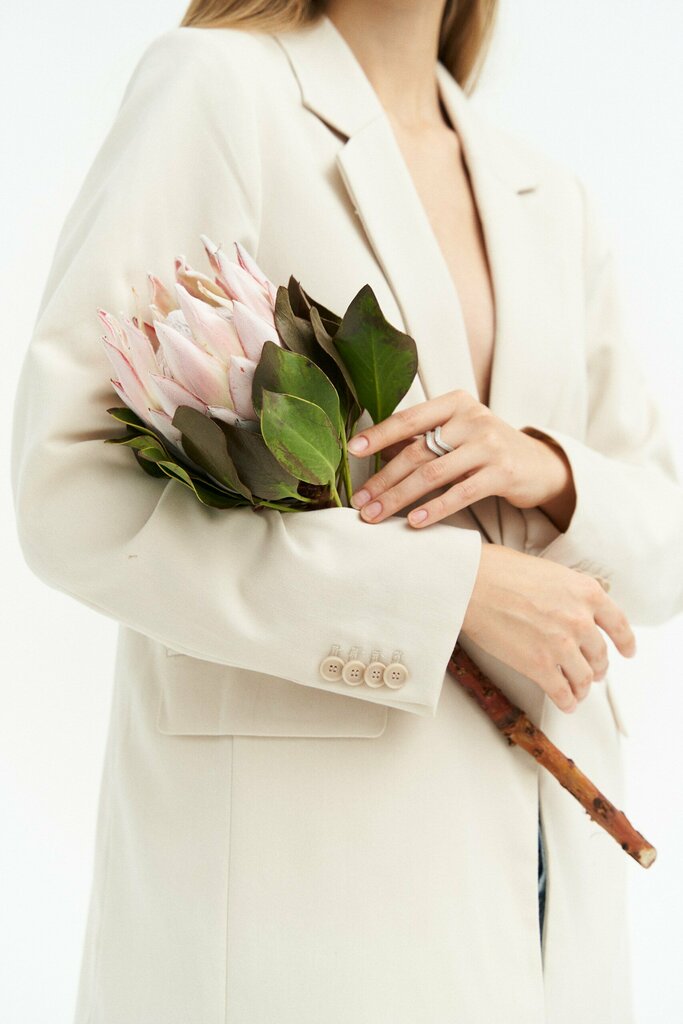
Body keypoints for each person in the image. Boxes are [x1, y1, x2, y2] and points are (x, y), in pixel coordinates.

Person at [10, 2, 683, 1022]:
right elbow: (73, 490)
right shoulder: (216, 88)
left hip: (552, 905)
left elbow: (663, 546)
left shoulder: (549, 196)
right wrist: (450, 593)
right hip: (302, 896)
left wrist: (548, 468)